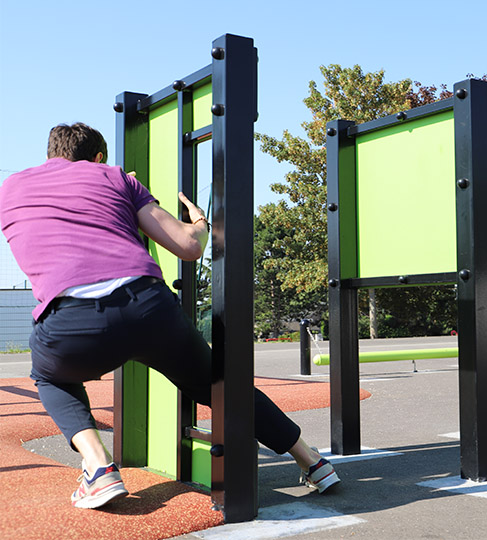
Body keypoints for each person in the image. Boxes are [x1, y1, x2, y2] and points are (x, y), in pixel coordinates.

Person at [0, 122, 340, 509]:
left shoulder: (11, 187)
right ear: (97, 158)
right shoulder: (115, 178)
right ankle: (311, 460)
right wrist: (198, 222)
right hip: (148, 307)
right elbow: (187, 247)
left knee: (50, 378)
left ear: (50, 156)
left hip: (70, 322)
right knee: (218, 383)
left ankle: (98, 467)